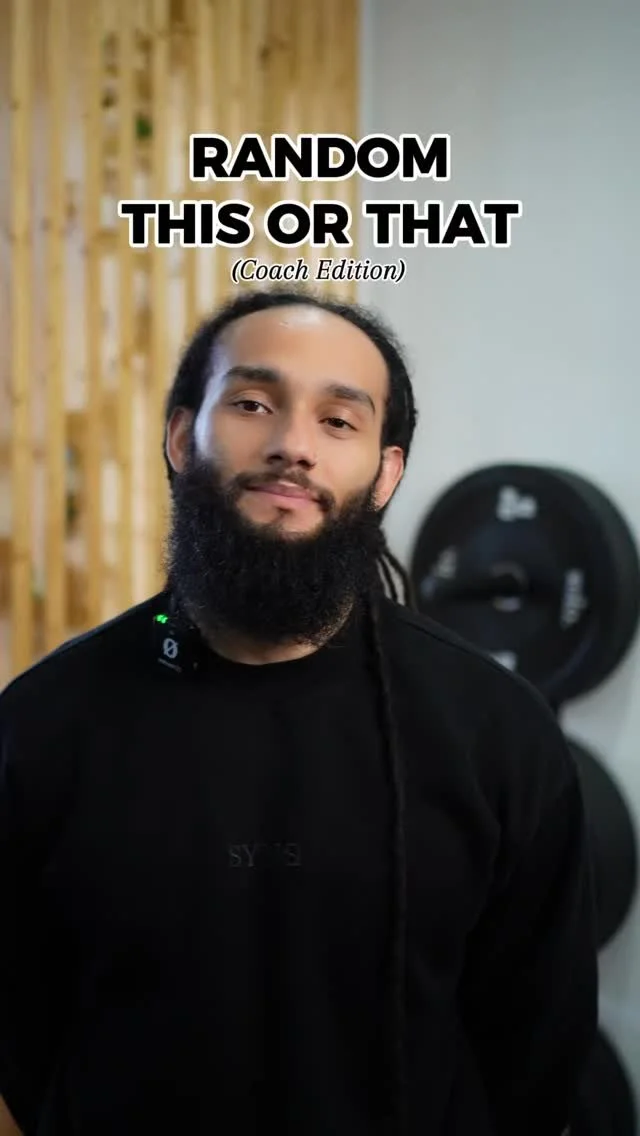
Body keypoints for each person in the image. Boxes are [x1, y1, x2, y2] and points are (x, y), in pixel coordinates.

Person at [0, 287, 598, 1136]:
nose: (292, 445)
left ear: (386, 474)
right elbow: (24, 1029)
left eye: (338, 421)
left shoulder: (497, 732)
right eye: (252, 404)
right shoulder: (44, 722)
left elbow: (537, 1046)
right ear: (182, 437)